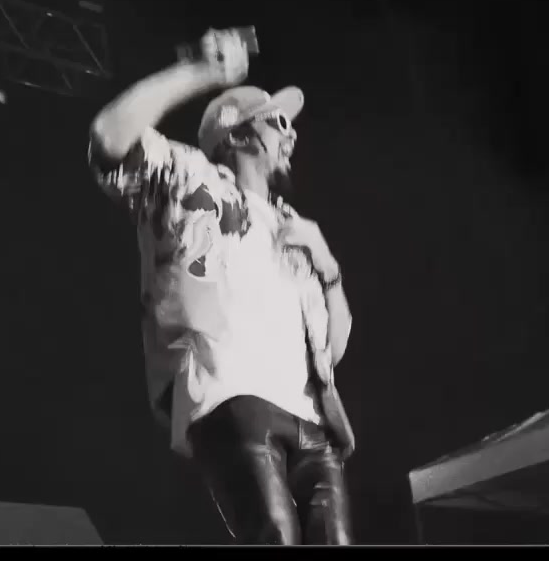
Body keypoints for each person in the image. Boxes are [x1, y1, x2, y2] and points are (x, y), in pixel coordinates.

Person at [87, 28, 356, 545]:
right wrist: (203, 72)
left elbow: (334, 347)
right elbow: (109, 137)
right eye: (279, 123)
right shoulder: (192, 180)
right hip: (230, 395)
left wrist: (329, 268)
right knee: (275, 535)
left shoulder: (293, 228)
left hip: (311, 418)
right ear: (235, 135)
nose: (291, 136)